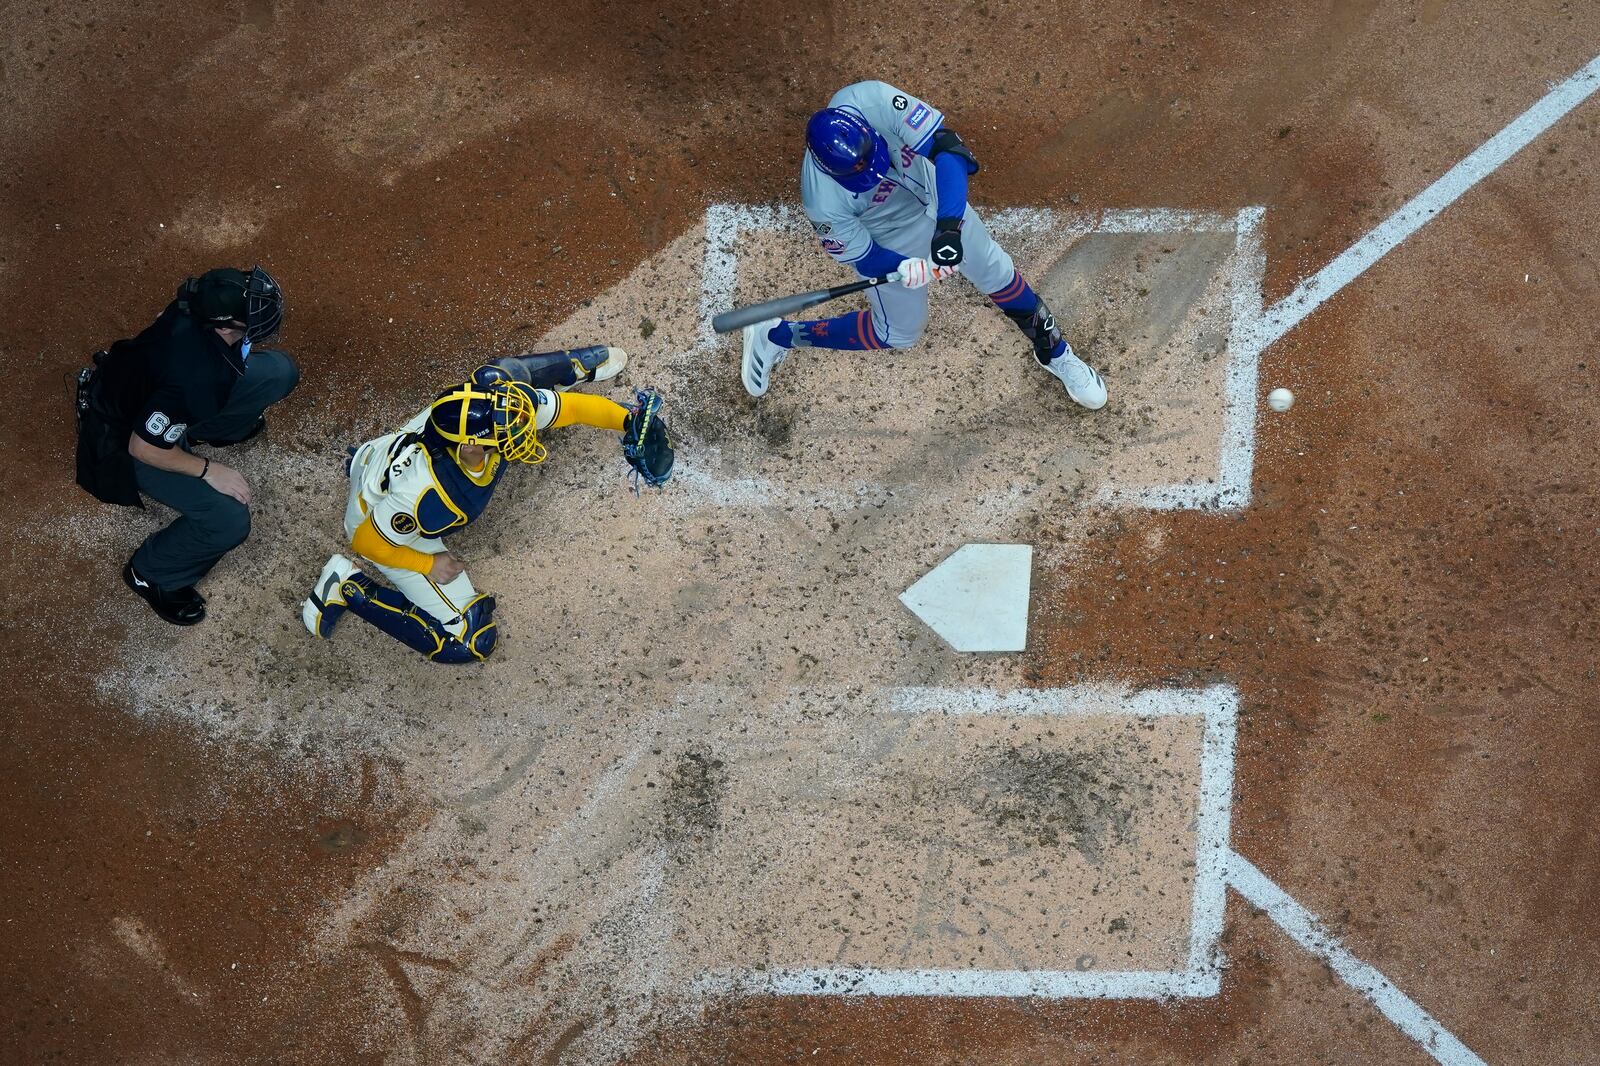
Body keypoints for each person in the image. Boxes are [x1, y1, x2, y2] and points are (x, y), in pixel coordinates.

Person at [740, 81, 1107, 410]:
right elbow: (866, 259)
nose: (875, 169)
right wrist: (903, 267)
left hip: (936, 191)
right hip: (889, 235)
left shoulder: (872, 99)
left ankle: (1056, 353)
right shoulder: (823, 202)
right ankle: (775, 335)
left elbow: (948, 149)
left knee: (995, 270)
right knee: (899, 334)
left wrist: (948, 228)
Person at [301, 346, 673, 663]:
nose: (525, 428)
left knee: (507, 374)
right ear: (470, 449)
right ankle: (345, 586)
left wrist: (626, 420)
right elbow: (367, 542)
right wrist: (427, 563)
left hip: (382, 454)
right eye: (512, 430)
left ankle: (578, 364)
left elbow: (569, 409)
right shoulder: (429, 495)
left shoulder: (491, 406)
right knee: (471, 642)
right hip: (376, 513)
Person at [74, 266, 297, 625]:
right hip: (126, 438)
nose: (263, 319)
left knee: (279, 372)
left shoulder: (196, 300)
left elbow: (165, 322)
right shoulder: (195, 376)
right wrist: (209, 470)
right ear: (224, 327)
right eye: (249, 319)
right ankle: (152, 573)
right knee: (228, 519)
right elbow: (143, 448)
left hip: (162, 395)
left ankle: (218, 429)